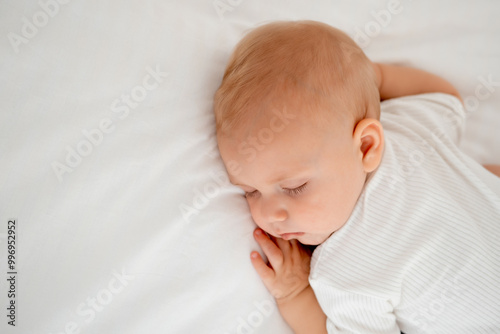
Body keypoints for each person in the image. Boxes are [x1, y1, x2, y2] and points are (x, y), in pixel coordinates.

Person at [213, 20, 500, 333]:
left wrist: (296, 294)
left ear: (366, 146)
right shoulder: (406, 128)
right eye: (250, 191)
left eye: (295, 187)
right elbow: (443, 97)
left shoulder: (348, 273)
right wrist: (376, 76)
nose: (268, 215)